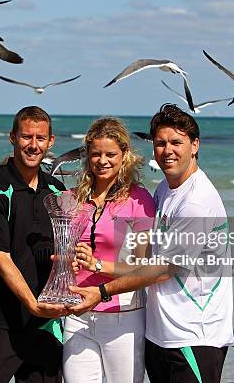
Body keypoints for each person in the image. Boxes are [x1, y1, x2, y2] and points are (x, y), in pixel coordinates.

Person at [71, 104, 234, 383]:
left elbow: (162, 270)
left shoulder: (196, 202)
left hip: (195, 336)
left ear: (195, 145)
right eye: (160, 143)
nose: (167, 150)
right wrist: (97, 263)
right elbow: (146, 264)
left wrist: (101, 291)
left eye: (176, 142)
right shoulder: (165, 190)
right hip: (160, 334)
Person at [0, 106, 68, 383]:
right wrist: (32, 304)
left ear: (51, 141)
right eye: (26, 137)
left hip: (44, 323)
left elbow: (64, 249)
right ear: (13, 138)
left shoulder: (58, 191)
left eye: (40, 138)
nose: (33, 145)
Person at [63, 117, 156, 383]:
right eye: (96, 154)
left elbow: (142, 266)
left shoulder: (139, 201)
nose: (102, 160)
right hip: (77, 313)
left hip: (123, 317)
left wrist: (97, 265)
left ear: (124, 155)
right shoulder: (73, 198)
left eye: (110, 154)